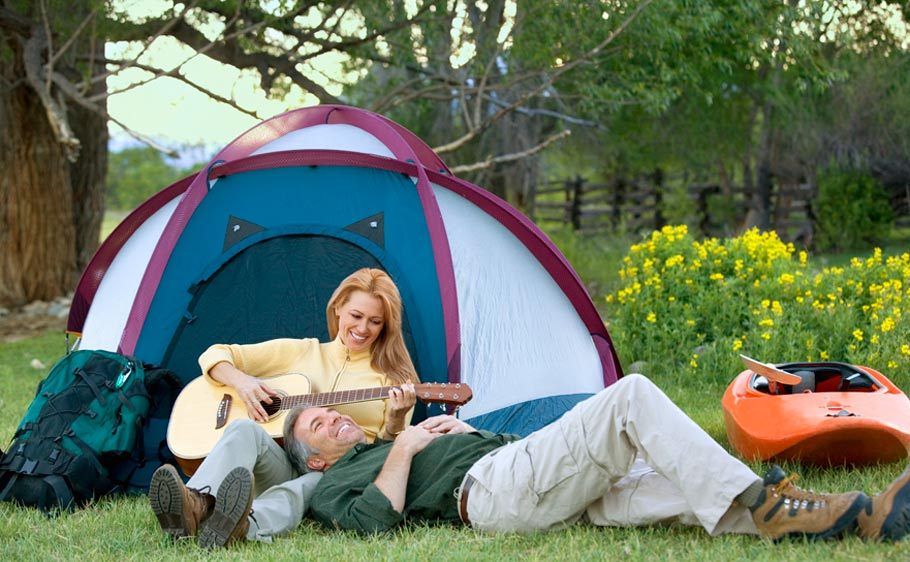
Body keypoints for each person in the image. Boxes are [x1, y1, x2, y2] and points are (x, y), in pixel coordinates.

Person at [280, 374, 910, 542]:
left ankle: (858, 517)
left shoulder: (381, 443)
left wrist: (443, 430)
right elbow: (371, 524)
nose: (332, 415)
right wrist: (412, 445)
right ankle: (767, 502)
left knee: (685, 487)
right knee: (630, 397)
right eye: (318, 422)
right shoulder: (332, 487)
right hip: (494, 494)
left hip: (528, 480)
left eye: (328, 409)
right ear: (315, 460)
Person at [148, 268, 418, 547]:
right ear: (338, 308)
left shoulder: (395, 380)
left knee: (312, 482)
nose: (363, 329)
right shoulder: (303, 352)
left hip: (342, 478)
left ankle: (243, 526)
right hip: (287, 465)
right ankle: (194, 505)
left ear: (386, 325)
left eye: (375, 322)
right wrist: (243, 383)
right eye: (356, 316)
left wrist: (395, 422)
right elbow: (215, 355)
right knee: (243, 427)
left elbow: (392, 458)